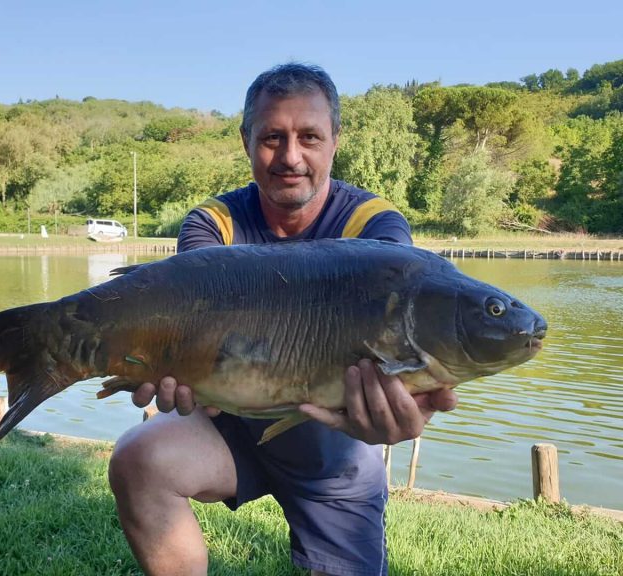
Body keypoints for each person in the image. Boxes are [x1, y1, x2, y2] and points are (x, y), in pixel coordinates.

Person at [108, 63, 458, 576]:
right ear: (246, 140)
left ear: (335, 140)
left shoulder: (376, 226)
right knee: (138, 457)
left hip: (336, 448)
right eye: (273, 137)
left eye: (309, 137)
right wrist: (163, 361)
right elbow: (186, 332)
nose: (290, 156)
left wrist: (411, 404)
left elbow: (402, 339)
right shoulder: (213, 224)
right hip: (229, 425)